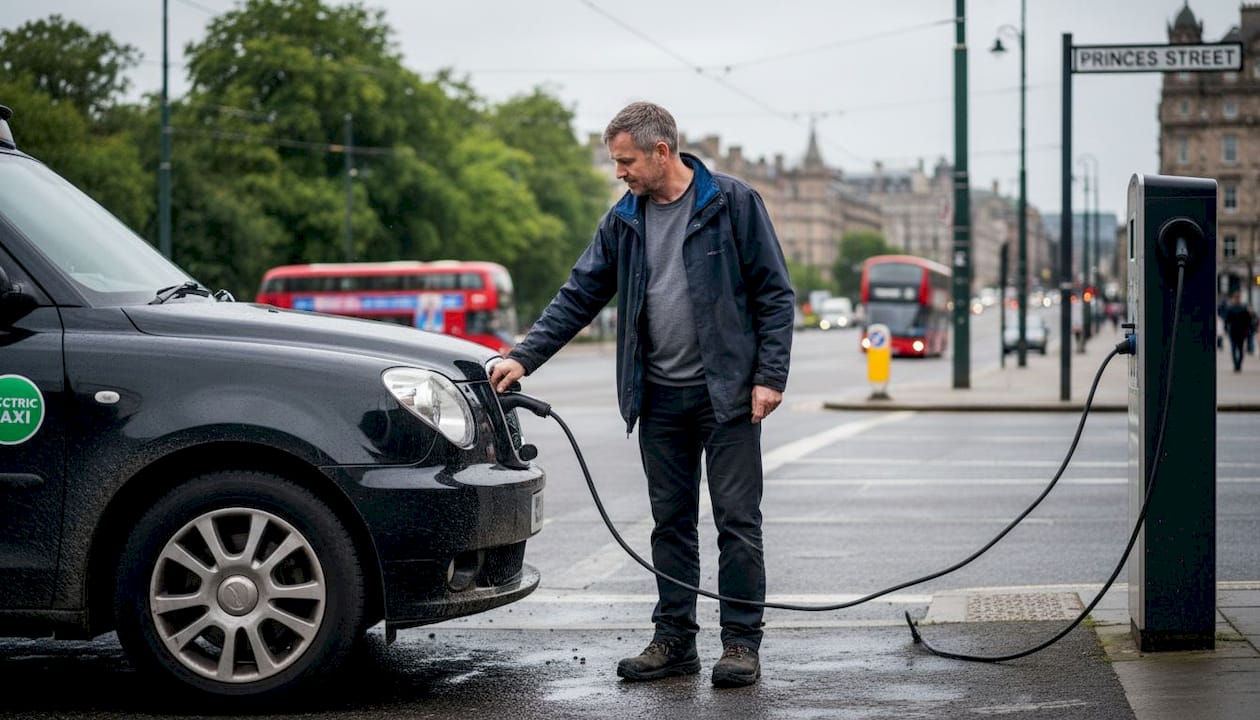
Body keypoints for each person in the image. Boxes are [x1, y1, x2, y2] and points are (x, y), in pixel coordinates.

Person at [489, 101, 794, 688]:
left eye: (626, 161)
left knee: (736, 522)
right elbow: (580, 294)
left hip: (727, 396)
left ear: (662, 151)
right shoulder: (625, 219)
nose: (619, 173)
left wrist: (770, 376)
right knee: (669, 524)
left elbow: (774, 295)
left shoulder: (732, 202)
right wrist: (524, 356)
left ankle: (740, 644)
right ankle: (675, 640)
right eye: (614, 163)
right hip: (658, 399)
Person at [1223, 291, 1251, 372]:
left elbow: (1227, 320)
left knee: (1236, 349)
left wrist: (1226, 328)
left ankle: (1237, 365)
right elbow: (1248, 321)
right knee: (1238, 349)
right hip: (1238, 332)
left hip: (1236, 332)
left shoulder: (1232, 308)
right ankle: (1237, 365)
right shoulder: (1242, 308)